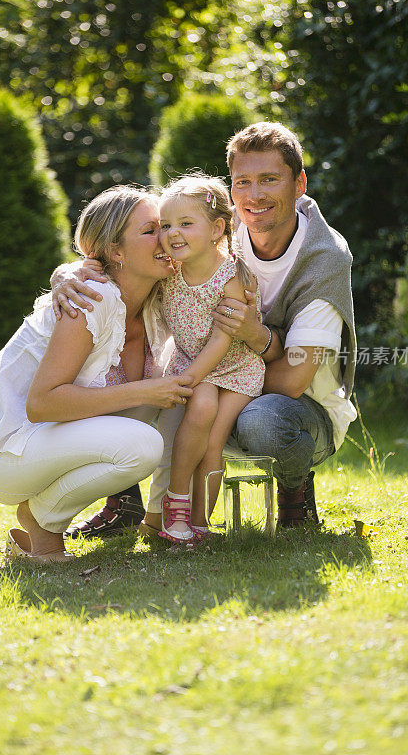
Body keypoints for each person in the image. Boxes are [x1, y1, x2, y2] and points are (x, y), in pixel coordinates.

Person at [53, 121, 357, 534]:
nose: (255, 195)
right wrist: (70, 271)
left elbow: (292, 380)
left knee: (262, 421)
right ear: (230, 194)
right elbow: (130, 251)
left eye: (270, 180)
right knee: (136, 370)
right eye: (243, 182)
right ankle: (131, 502)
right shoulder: (213, 233)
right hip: (205, 370)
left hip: (300, 405)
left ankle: (294, 484)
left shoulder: (323, 260)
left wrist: (253, 339)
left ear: (299, 183)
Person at [0, 186, 193, 562]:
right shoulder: (90, 298)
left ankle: (161, 521)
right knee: (142, 444)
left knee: (179, 394)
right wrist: (146, 391)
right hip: (3, 446)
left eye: (167, 226)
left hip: (47, 437)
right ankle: (41, 521)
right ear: (116, 252)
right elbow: (42, 403)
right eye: (151, 230)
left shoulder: (158, 298)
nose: (167, 237)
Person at [155, 175, 265, 542]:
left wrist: (187, 380)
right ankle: (177, 498)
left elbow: (222, 339)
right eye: (166, 225)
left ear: (218, 228)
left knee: (215, 439)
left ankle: (200, 522)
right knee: (201, 410)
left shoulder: (230, 276)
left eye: (186, 224)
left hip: (236, 367)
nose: (173, 233)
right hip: (193, 362)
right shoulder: (169, 271)